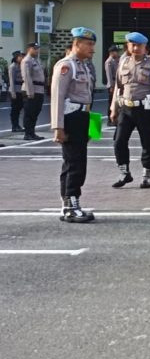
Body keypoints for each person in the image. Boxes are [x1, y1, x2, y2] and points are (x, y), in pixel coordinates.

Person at [51, 27, 98, 224]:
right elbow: (57, 97)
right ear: (76, 44)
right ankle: (71, 205)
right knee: (74, 163)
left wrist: (93, 128)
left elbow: (88, 97)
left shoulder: (85, 66)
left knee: (77, 162)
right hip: (70, 118)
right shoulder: (66, 66)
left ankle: (70, 204)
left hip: (83, 117)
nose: (92, 49)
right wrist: (58, 128)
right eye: (88, 44)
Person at [109, 32, 150, 189]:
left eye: (139, 45)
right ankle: (124, 172)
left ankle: (147, 175)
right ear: (128, 46)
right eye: (132, 45)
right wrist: (114, 108)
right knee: (119, 141)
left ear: (145, 47)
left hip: (144, 109)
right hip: (126, 108)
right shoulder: (123, 62)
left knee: (147, 142)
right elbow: (119, 87)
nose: (135, 47)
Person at [21, 42, 46, 141]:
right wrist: (30, 92)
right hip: (31, 90)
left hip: (39, 90)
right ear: (29, 49)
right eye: (35, 48)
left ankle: (32, 132)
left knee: (35, 112)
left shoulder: (36, 61)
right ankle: (27, 134)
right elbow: (27, 77)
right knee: (29, 113)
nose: (37, 50)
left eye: (37, 49)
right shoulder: (26, 61)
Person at [104, 46, 121, 126]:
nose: (117, 53)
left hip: (117, 83)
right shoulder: (109, 62)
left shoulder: (116, 60)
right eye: (115, 52)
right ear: (111, 53)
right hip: (112, 84)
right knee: (111, 103)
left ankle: (115, 119)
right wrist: (111, 86)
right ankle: (109, 120)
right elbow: (109, 75)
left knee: (117, 102)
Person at [9, 50, 25, 133]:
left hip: (21, 90)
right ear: (16, 57)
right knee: (15, 109)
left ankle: (17, 125)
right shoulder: (13, 66)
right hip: (15, 89)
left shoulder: (21, 66)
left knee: (19, 108)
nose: (22, 58)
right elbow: (11, 80)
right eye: (20, 56)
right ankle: (14, 126)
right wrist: (13, 92)